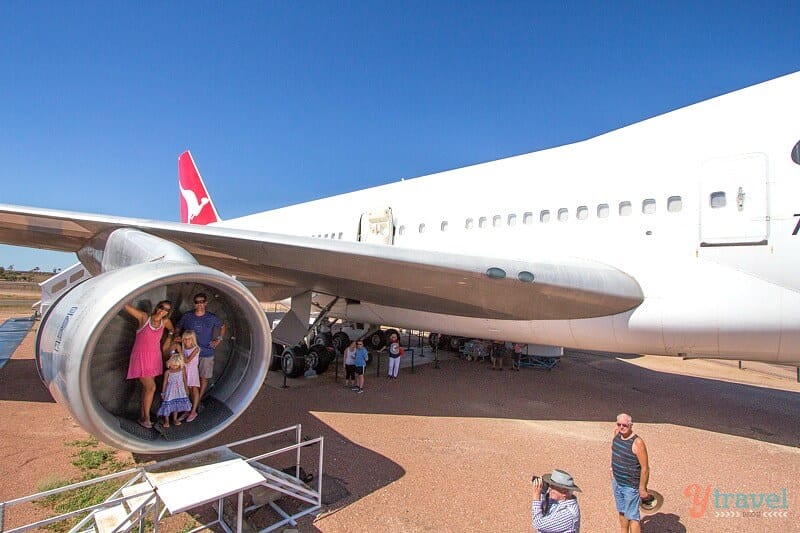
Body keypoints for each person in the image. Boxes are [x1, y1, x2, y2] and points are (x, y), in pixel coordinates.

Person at [123, 300, 175, 429]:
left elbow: (173, 329)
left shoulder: (165, 322)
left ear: (168, 313)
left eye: (166, 310)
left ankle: (142, 416)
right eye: (161, 307)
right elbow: (125, 306)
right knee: (151, 388)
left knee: (147, 389)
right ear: (157, 307)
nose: (162, 310)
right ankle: (146, 419)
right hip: (140, 357)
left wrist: (169, 337)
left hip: (154, 358)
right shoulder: (144, 318)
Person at [176, 293, 226, 403]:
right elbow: (178, 327)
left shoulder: (211, 317)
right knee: (189, 379)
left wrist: (219, 339)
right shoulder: (187, 316)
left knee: (203, 378)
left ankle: (197, 402)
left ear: (206, 303)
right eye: (197, 302)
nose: (200, 304)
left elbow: (222, 326)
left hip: (206, 353)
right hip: (190, 353)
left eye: (202, 301)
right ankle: (187, 402)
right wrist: (177, 337)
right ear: (194, 304)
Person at [611, 413, 650, 533]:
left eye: (625, 425)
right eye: (619, 424)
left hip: (630, 486)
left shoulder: (637, 443)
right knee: (622, 511)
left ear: (631, 425)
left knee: (633, 516)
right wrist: (611, 469)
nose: (621, 427)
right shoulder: (616, 434)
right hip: (617, 481)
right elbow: (614, 453)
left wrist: (642, 488)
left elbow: (645, 468)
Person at [156, 353, 192, 428]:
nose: (174, 367)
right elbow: (165, 382)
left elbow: (185, 380)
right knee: (168, 405)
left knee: (176, 405)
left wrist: (186, 389)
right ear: (169, 363)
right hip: (170, 391)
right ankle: (166, 421)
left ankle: (175, 419)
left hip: (179, 390)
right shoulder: (168, 372)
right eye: (172, 365)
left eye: (176, 365)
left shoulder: (182, 370)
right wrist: (163, 392)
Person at [180, 330, 201, 422]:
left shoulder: (196, 349)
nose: (186, 341)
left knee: (194, 389)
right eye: (184, 339)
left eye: (189, 339)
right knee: (186, 390)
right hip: (185, 371)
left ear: (193, 339)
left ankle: (193, 411)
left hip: (192, 371)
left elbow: (187, 360)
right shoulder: (183, 349)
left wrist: (179, 351)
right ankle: (187, 409)